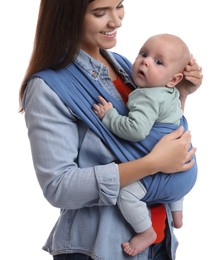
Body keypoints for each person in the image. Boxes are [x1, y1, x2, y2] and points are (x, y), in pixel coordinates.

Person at [19, 1, 202, 260]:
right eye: (100, 12)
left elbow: (155, 133)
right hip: (102, 248)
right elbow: (58, 187)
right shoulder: (48, 88)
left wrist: (180, 92)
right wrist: (152, 164)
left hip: (159, 243)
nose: (116, 21)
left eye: (119, 5)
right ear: (68, 16)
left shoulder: (125, 67)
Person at [93, 33, 196, 256]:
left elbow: (136, 130)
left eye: (159, 62)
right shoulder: (171, 94)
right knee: (172, 176)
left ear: (174, 79)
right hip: (187, 170)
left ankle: (145, 232)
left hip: (171, 173)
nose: (145, 61)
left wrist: (109, 116)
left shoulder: (145, 96)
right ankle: (177, 214)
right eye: (143, 53)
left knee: (126, 195)